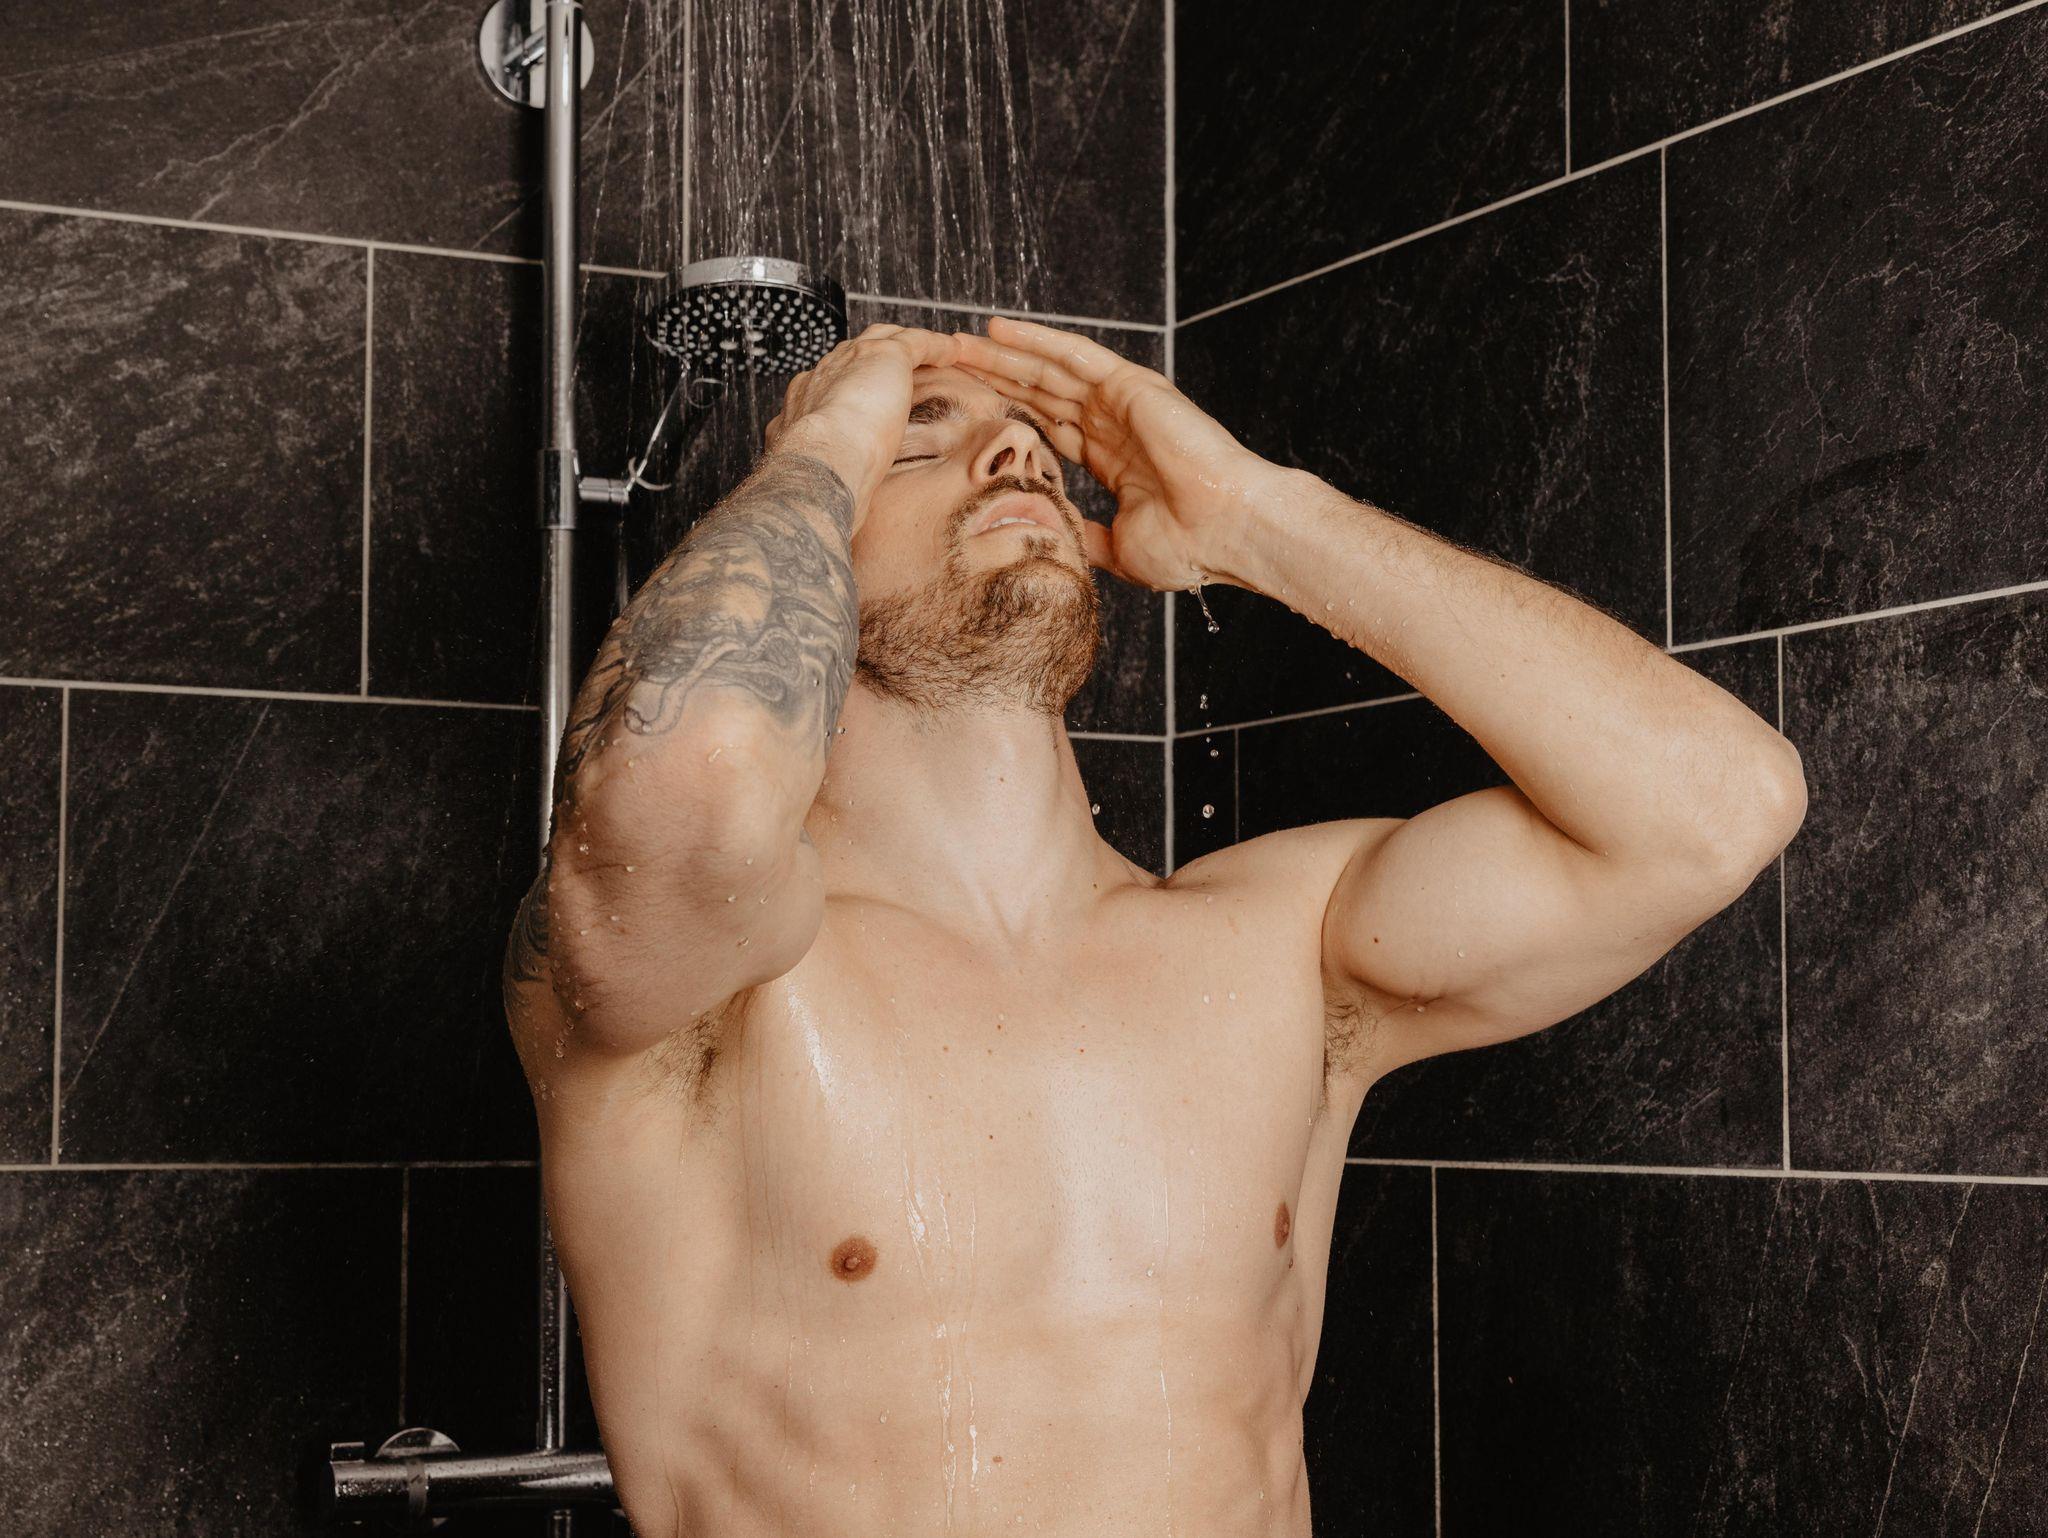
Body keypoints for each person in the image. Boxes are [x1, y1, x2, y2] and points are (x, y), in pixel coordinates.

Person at [500, 317, 1807, 1538]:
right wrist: (827, 436)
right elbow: (693, 769)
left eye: (1031, 442)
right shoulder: (706, 982)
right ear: (805, 550)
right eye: (921, 440)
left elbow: (1716, 808)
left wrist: (1260, 518)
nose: (1014, 454)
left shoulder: (1284, 946)